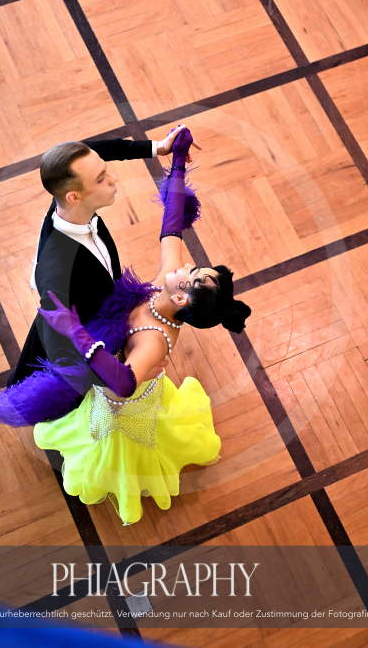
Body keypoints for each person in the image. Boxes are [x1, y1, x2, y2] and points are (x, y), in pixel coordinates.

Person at [29, 128, 252, 525]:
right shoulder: (168, 283)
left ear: (181, 298)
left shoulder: (153, 341)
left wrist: (75, 330)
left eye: (192, 273)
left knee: (116, 447)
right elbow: (172, 223)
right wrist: (176, 160)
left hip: (123, 407)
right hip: (121, 366)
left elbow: (124, 385)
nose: (186, 264)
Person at [6, 127, 201, 403]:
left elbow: (94, 151)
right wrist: (118, 375)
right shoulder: (56, 278)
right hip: (85, 338)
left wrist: (159, 147)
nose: (113, 178)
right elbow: (61, 344)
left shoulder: (69, 197)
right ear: (74, 196)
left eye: (105, 170)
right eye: (101, 179)